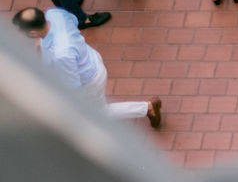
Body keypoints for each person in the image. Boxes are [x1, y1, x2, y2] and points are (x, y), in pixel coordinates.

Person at [11, 7, 161, 129]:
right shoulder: (54, 14)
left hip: (89, 80)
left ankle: (146, 108)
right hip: (89, 57)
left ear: (33, 33)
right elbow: (74, 20)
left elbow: (73, 84)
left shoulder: (62, 54)